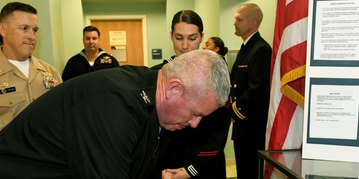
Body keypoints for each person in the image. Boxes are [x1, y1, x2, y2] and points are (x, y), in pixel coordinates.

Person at [0, 49, 230, 179]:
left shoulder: (155, 104)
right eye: (194, 113)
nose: (194, 124)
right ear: (174, 89)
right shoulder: (114, 105)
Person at [152, 10, 231, 179]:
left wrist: (192, 169)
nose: (185, 45)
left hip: (205, 164)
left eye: (192, 38)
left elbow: (220, 130)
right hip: (168, 163)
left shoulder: (215, 75)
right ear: (171, 35)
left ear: (202, 36)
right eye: (179, 38)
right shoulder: (159, 74)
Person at [0, 2, 62, 130]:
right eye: (24, 28)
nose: (31, 36)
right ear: (3, 30)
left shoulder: (50, 72)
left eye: (35, 30)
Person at [230, 3, 272, 179]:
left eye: (239, 19)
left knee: (250, 172)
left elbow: (257, 91)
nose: (234, 22)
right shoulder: (247, 47)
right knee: (243, 172)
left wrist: (233, 110)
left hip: (252, 127)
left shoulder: (260, 49)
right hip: (242, 127)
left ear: (252, 23)